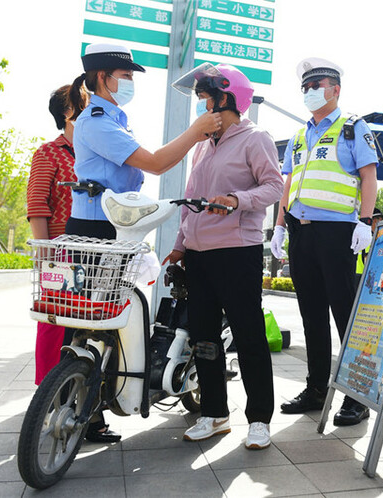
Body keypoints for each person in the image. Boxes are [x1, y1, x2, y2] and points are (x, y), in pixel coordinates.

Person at [65, 43, 221, 443]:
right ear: (103, 77)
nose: (131, 82)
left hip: (113, 227)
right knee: (93, 321)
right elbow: (154, 163)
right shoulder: (97, 120)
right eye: (127, 76)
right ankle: (80, 408)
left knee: (106, 319)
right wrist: (195, 131)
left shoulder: (113, 117)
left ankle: (91, 409)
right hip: (98, 230)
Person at [162, 63, 282, 448]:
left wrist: (236, 200)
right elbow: (190, 200)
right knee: (205, 338)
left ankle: (259, 419)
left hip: (237, 253)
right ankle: (214, 413)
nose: (202, 107)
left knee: (249, 336)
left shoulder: (255, 138)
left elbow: (274, 187)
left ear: (227, 98)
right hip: (199, 256)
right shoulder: (201, 147)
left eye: (205, 99)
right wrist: (181, 243)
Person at [271, 58, 378, 426]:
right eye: (305, 87)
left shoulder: (352, 128)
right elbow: (289, 184)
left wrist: (365, 221)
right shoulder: (300, 136)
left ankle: (357, 395)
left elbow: (368, 177)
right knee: (311, 315)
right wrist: (280, 227)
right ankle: (317, 389)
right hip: (301, 233)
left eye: (317, 85)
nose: (310, 92)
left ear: (335, 89)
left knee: (345, 315)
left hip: (338, 234)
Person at [26, 84, 81, 385]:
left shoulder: (95, 153)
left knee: (87, 324)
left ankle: (81, 396)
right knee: (55, 320)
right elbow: (36, 203)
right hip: (60, 251)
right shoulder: (49, 152)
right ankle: (46, 394)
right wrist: (45, 254)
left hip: (95, 253)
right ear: (67, 112)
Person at [355, 207, 383, 287]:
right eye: (380, 220)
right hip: (363, 276)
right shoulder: (370, 238)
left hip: (356, 275)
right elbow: (368, 260)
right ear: (374, 221)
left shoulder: (359, 235)